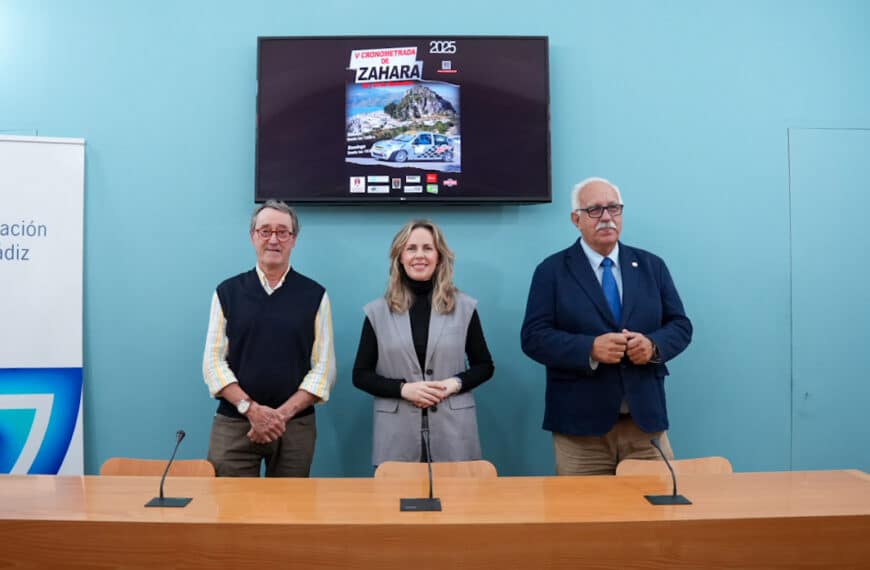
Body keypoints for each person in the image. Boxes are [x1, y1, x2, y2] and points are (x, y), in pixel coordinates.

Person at [521, 178, 692, 475]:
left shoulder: (652, 266)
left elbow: (680, 325)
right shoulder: (552, 271)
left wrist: (652, 346)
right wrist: (589, 349)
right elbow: (534, 337)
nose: (606, 217)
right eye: (595, 210)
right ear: (576, 219)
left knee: (657, 517)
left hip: (645, 427)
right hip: (580, 431)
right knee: (584, 519)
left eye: (613, 208)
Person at [202, 200, 336, 477]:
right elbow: (213, 364)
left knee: (290, 515)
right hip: (235, 424)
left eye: (282, 232)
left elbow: (323, 369)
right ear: (253, 237)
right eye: (265, 231)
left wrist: (278, 417)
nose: (273, 239)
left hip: (294, 427)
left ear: (293, 240)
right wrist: (251, 410)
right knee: (230, 513)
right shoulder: (227, 292)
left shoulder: (315, 295)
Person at [353, 219, 494, 466]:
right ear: (400, 257)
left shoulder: (464, 307)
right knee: (395, 503)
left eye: (427, 248)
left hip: (455, 435)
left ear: (439, 257)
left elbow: (484, 365)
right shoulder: (377, 312)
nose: (420, 255)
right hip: (396, 436)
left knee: (459, 503)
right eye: (411, 248)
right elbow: (360, 375)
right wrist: (403, 389)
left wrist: (453, 384)